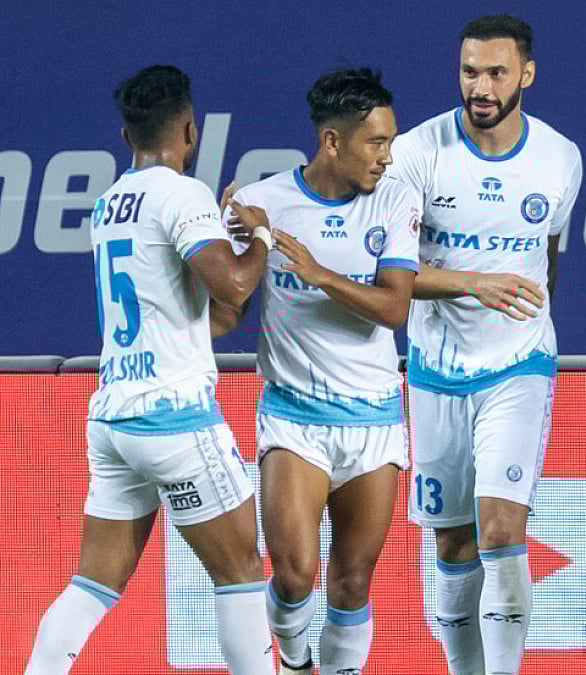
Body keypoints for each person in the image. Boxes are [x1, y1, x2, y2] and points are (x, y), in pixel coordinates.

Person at [25, 65, 274, 674]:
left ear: (124, 136)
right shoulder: (182, 194)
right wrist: (261, 236)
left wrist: (221, 248)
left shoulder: (109, 203)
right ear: (190, 130)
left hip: (113, 422)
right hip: (175, 422)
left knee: (92, 584)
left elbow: (207, 318)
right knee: (241, 572)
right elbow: (238, 284)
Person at [383, 14, 583, 675]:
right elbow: (393, 273)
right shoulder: (417, 152)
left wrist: (517, 304)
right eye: (471, 71)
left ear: (526, 73)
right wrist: (474, 283)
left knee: (501, 531)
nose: (482, 86)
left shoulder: (559, 156)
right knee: (454, 542)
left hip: (518, 365)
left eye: (497, 72)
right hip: (437, 370)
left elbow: (547, 256)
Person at [228, 68, 421, 675]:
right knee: (293, 575)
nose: (388, 157)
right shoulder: (266, 202)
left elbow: (393, 308)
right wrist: (231, 230)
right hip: (294, 418)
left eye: (391, 141)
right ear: (332, 142)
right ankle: (293, 660)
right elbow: (225, 296)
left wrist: (321, 275)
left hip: (374, 420)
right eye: (377, 143)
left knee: (353, 583)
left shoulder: (395, 199)